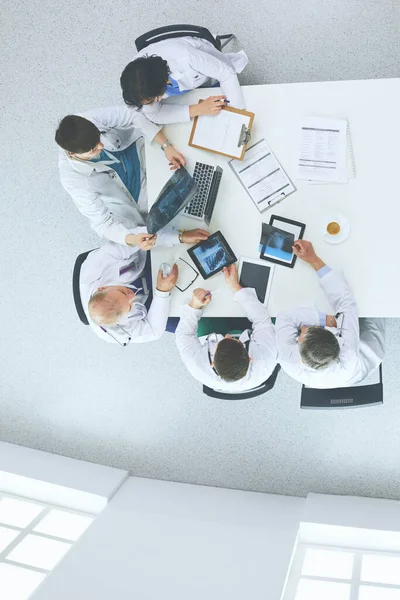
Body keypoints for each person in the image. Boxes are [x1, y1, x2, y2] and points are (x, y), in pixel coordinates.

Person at [56, 105, 185, 245]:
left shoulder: (84, 123)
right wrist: (132, 239)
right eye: (93, 149)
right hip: (138, 191)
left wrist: (166, 146)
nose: (101, 147)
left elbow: (131, 114)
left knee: (188, 160)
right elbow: (103, 225)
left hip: (140, 149)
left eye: (99, 139)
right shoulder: (73, 180)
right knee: (182, 210)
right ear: (73, 154)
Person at [276, 240, 385, 388]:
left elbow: (284, 317)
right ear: (338, 337)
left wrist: (326, 320)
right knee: (376, 303)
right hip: (360, 364)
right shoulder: (348, 352)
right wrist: (314, 260)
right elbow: (346, 302)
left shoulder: (287, 358)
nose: (302, 328)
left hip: (335, 373)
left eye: (303, 333)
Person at [80, 227, 209, 345]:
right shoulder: (119, 333)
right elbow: (154, 331)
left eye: (123, 292)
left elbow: (137, 238)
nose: (132, 295)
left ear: (102, 288)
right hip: (149, 304)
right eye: (130, 306)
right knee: (200, 326)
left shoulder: (97, 265)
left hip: (142, 264)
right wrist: (162, 293)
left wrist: (179, 237)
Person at [175, 264, 277, 391]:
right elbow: (262, 321)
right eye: (235, 340)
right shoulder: (266, 358)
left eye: (221, 342)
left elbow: (183, 335)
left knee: (204, 319)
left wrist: (194, 306)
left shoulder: (197, 365)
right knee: (273, 315)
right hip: (254, 337)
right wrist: (236, 287)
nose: (228, 335)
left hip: (214, 332)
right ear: (250, 358)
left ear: (212, 364)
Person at [120, 36, 248, 124]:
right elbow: (154, 114)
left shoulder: (185, 58)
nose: (155, 102)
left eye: (155, 98)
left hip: (207, 72)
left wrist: (236, 116)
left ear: (163, 81)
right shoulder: (137, 84)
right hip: (189, 94)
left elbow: (226, 74)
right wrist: (198, 109)